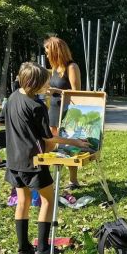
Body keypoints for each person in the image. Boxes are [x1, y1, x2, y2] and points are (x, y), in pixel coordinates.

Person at [5, 62, 89, 254]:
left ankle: (23, 251)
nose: (48, 85)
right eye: (45, 82)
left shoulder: (13, 98)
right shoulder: (37, 106)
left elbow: (4, 121)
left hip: (14, 160)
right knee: (48, 201)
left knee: (23, 201)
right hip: (34, 161)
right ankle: (42, 250)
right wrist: (75, 142)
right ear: (34, 83)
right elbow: (49, 138)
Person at [44, 37, 82, 190]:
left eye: (48, 52)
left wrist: (57, 91)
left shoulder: (71, 67)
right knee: (51, 144)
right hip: (52, 110)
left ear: (55, 51)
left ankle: (73, 181)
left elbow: (77, 93)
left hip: (67, 112)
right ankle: (50, 180)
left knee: (67, 145)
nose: (46, 55)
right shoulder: (54, 68)